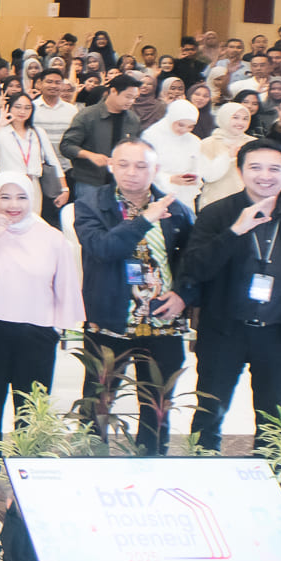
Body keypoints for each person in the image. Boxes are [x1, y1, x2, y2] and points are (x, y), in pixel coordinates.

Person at [178, 138, 281, 456]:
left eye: (274, 169)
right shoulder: (217, 214)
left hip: (279, 337)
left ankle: (270, 477)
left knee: (273, 420)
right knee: (209, 414)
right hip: (223, 333)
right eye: (255, 168)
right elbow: (194, 268)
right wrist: (234, 232)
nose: (265, 176)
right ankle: (201, 470)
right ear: (240, 171)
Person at [73, 138, 195, 455]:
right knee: (98, 402)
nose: (131, 172)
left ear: (155, 169)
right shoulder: (91, 204)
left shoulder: (176, 209)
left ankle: (150, 463)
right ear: (111, 166)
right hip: (110, 321)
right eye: (123, 164)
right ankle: (90, 464)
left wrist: (183, 295)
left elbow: (192, 261)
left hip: (163, 323)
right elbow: (103, 249)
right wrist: (145, 220)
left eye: (141, 166)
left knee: (157, 404)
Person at [0, 171, 83, 506]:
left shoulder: (52, 238)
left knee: (29, 410)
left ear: (32, 197)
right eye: (4, 197)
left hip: (37, 334)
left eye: (21, 196)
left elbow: (65, 287)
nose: (13, 205)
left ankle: (22, 477)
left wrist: (59, 330)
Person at [59, 74, 142, 192]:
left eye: (134, 98)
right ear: (113, 91)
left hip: (121, 181)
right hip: (90, 180)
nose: (131, 101)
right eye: (128, 97)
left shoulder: (133, 119)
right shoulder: (88, 115)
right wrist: (89, 155)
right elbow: (66, 146)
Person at [141, 99, 205, 212]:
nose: (185, 130)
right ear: (171, 118)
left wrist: (194, 178)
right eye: (181, 125)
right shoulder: (151, 136)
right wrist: (169, 179)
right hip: (157, 194)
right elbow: (144, 167)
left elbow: (199, 166)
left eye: (190, 127)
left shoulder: (193, 140)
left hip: (185, 196)